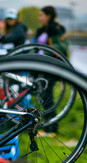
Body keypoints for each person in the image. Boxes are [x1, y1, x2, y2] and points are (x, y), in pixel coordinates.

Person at [35, 6, 69, 137]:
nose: (39, 18)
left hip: (52, 66)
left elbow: (63, 46)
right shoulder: (41, 30)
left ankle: (52, 129)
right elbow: (36, 47)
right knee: (44, 96)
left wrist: (48, 49)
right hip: (39, 66)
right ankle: (47, 127)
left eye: (41, 15)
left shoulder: (57, 29)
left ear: (48, 16)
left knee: (48, 95)